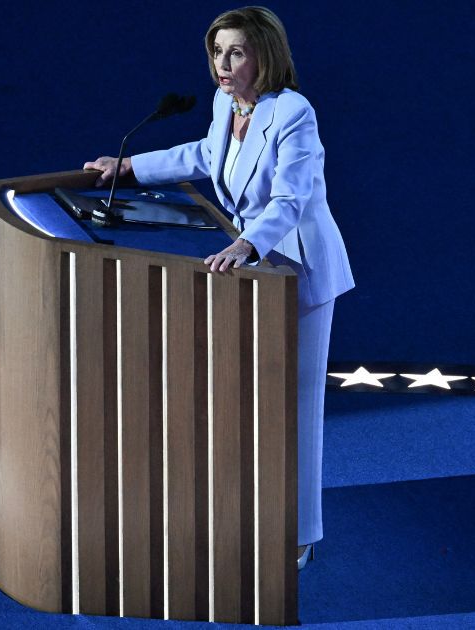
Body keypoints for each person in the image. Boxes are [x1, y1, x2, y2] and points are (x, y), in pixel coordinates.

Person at [84, 6, 354, 571]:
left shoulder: (293, 113)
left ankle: (300, 532)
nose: (222, 64)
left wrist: (245, 245)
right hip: (246, 270)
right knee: (241, 398)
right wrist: (129, 165)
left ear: (264, 56)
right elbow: (205, 157)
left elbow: (291, 199)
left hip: (296, 270)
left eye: (236, 52)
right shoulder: (224, 104)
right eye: (216, 52)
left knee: (296, 406)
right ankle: (239, 508)